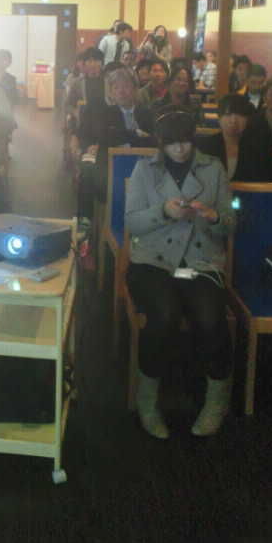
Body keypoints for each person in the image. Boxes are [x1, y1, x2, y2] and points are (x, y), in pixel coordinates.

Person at [125, 109, 234, 439]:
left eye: (186, 141)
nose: (180, 149)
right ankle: (147, 401)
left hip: (199, 263)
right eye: (172, 143)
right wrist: (163, 211)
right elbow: (132, 223)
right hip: (153, 262)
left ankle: (217, 400)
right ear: (161, 144)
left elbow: (230, 223)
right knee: (164, 315)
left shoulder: (213, 169)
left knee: (211, 318)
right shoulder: (145, 169)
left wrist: (214, 217)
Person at [77, 67, 154, 221]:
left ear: (135, 89)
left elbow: (154, 140)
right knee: (88, 172)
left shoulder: (147, 113)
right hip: (112, 167)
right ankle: (86, 222)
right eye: (116, 88)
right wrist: (136, 134)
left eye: (126, 86)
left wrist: (123, 137)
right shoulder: (105, 113)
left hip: (144, 167)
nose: (121, 91)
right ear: (111, 93)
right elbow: (106, 137)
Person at [196, 93, 272, 182]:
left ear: (247, 119)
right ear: (219, 118)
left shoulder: (259, 147)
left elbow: (265, 181)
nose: (233, 121)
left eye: (240, 115)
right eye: (228, 114)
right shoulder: (205, 145)